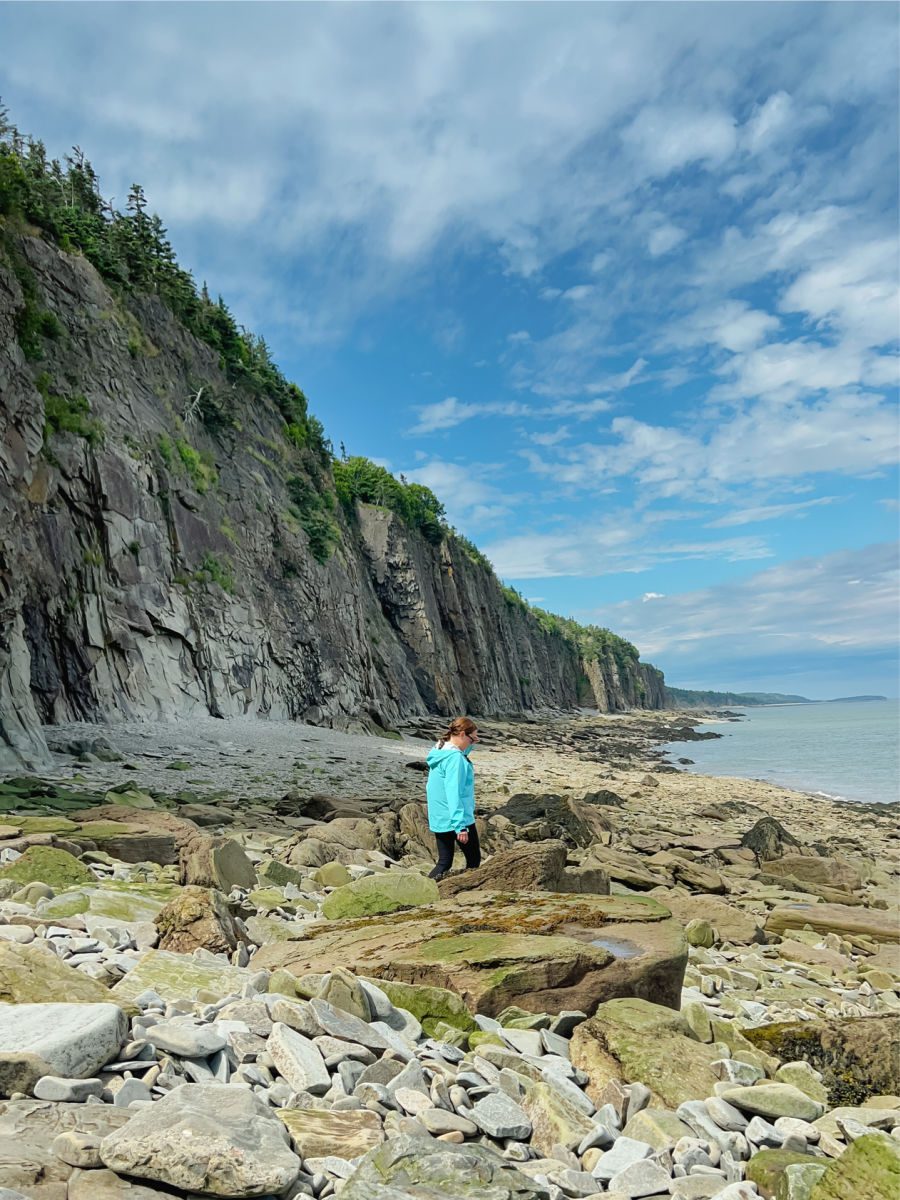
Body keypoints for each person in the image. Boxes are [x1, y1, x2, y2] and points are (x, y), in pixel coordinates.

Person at [425, 716, 481, 881]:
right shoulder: (455, 759)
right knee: (473, 861)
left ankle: (427, 889)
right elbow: (453, 792)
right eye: (473, 739)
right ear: (463, 734)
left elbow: (461, 752)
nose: (473, 742)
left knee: (444, 862)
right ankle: (468, 893)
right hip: (458, 818)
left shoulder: (440, 749)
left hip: (440, 817)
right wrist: (460, 827)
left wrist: (471, 744)